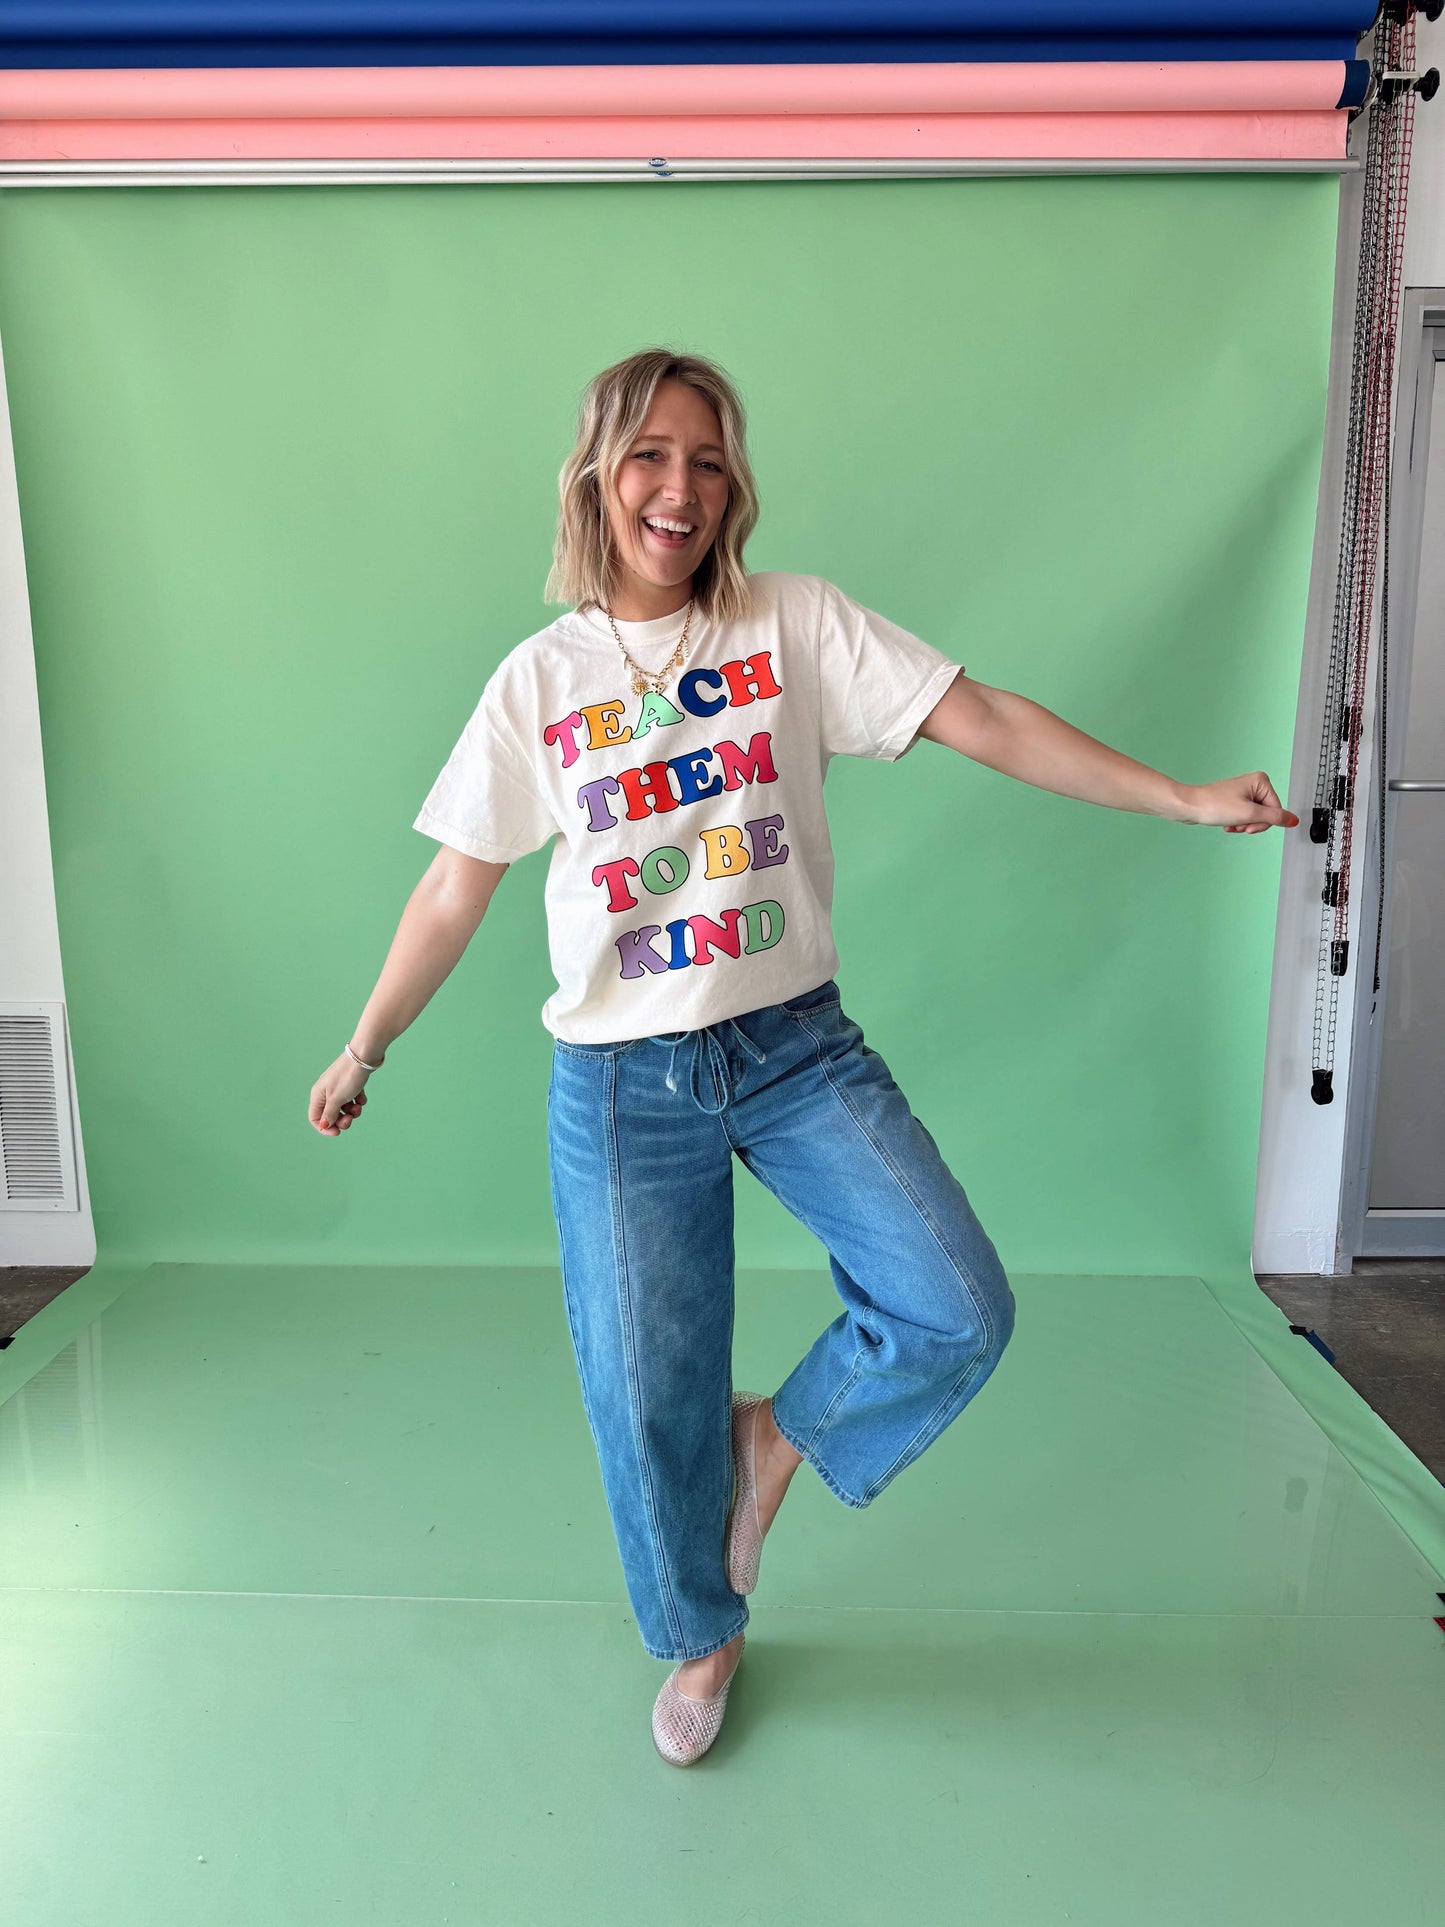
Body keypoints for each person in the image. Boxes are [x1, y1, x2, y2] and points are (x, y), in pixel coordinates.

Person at [308, 346, 1298, 1766]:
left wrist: (1184, 799)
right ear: (597, 472)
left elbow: (987, 718)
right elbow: (454, 885)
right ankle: (702, 1635)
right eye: (650, 454)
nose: (681, 486)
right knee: (645, 1394)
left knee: (953, 1302)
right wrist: (366, 1045)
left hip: (788, 1047)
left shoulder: (794, 624)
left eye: (708, 460)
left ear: (734, 486)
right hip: (620, 1078)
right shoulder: (540, 680)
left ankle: (772, 1445)